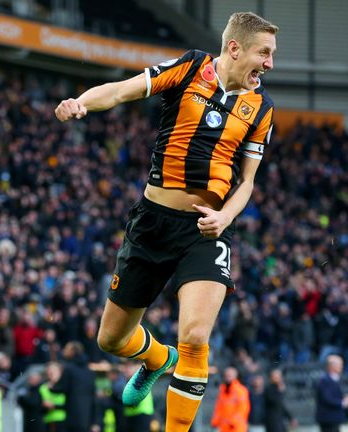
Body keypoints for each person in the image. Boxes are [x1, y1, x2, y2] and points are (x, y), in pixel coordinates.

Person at [55, 11, 278, 432]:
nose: (269, 64)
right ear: (235, 48)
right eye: (263, 53)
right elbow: (123, 91)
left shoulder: (261, 108)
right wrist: (82, 102)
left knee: (194, 338)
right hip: (152, 223)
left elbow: (247, 182)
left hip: (204, 231)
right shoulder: (192, 67)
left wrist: (225, 215)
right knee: (112, 340)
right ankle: (158, 358)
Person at [58, 341, 99, 432]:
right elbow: (94, 397)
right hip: (87, 417)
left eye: (67, 349)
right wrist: (95, 421)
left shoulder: (68, 369)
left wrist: (52, 387)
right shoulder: (89, 371)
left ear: (72, 351)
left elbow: (63, 389)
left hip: (71, 416)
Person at [315, 355, 348, 432]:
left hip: (335, 418)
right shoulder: (324, 381)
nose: (341, 367)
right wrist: (343, 402)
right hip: (328, 419)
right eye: (339, 364)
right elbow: (327, 399)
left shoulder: (338, 379)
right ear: (331, 366)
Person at [211, 367, 251, 432]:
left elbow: (243, 409)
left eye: (229, 375)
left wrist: (232, 422)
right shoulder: (222, 390)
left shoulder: (241, 390)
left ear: (235, 376)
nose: (227, 377)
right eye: (226, 375)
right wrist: (215, 421)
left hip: (236, 428)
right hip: (224, 428)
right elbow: (218, 408)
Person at [39, 362, 67, 431]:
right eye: (49, 370)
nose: (51, 373)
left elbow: (71, 404)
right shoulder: (43, 387)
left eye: (54, 370)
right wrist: (44, 405)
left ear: (60, 371)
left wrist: (54, 406)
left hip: (65, 422)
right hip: (49, 422)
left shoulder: (66, 386)